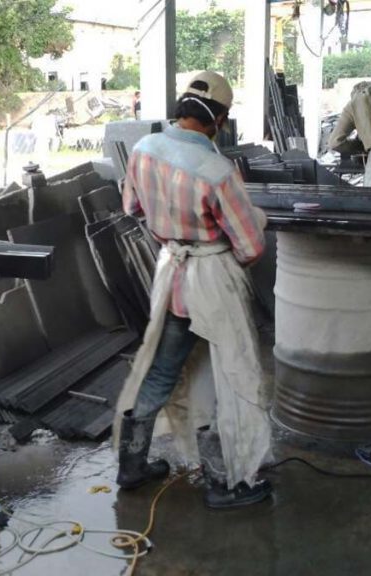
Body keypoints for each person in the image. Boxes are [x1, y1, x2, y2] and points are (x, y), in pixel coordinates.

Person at [115, 71, 273, 509]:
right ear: (218, 119)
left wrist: (172, 234)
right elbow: (251, 247)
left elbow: (132, 207)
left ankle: (131, 466)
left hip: (171, 275)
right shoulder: (217, 171)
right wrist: (250, 222)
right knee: (230, 374)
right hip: (213, 280)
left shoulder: (143, 150)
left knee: (164, 369)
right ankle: (225, 483)